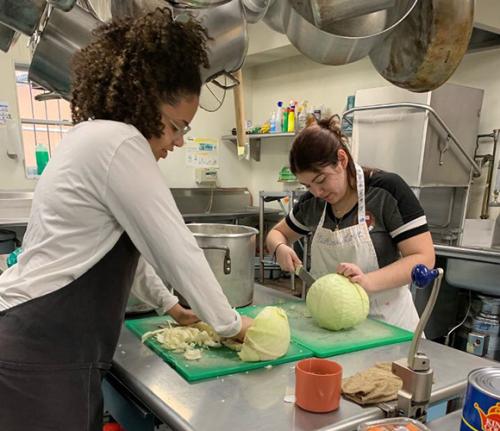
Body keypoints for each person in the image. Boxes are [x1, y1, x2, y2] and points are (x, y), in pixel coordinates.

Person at [0, 8, 252, 431]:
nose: (177, 141)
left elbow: (126, 247)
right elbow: (174, 246)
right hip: (43, 352)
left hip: (42, 345)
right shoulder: (121, 142)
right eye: (176, 126)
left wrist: (170, 305)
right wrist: (230, 324)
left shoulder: (93, 136)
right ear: (143, 98)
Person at [266, 116, 435, 332]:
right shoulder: (313, 203)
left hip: (387, 325)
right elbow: (276, 234)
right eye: (307, 185)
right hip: (330, 329)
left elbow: (424, 257)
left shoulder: (386, 191)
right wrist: (280, 247)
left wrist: (367, 281)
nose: (317, 192)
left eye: (320, 180)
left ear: (342, 160)